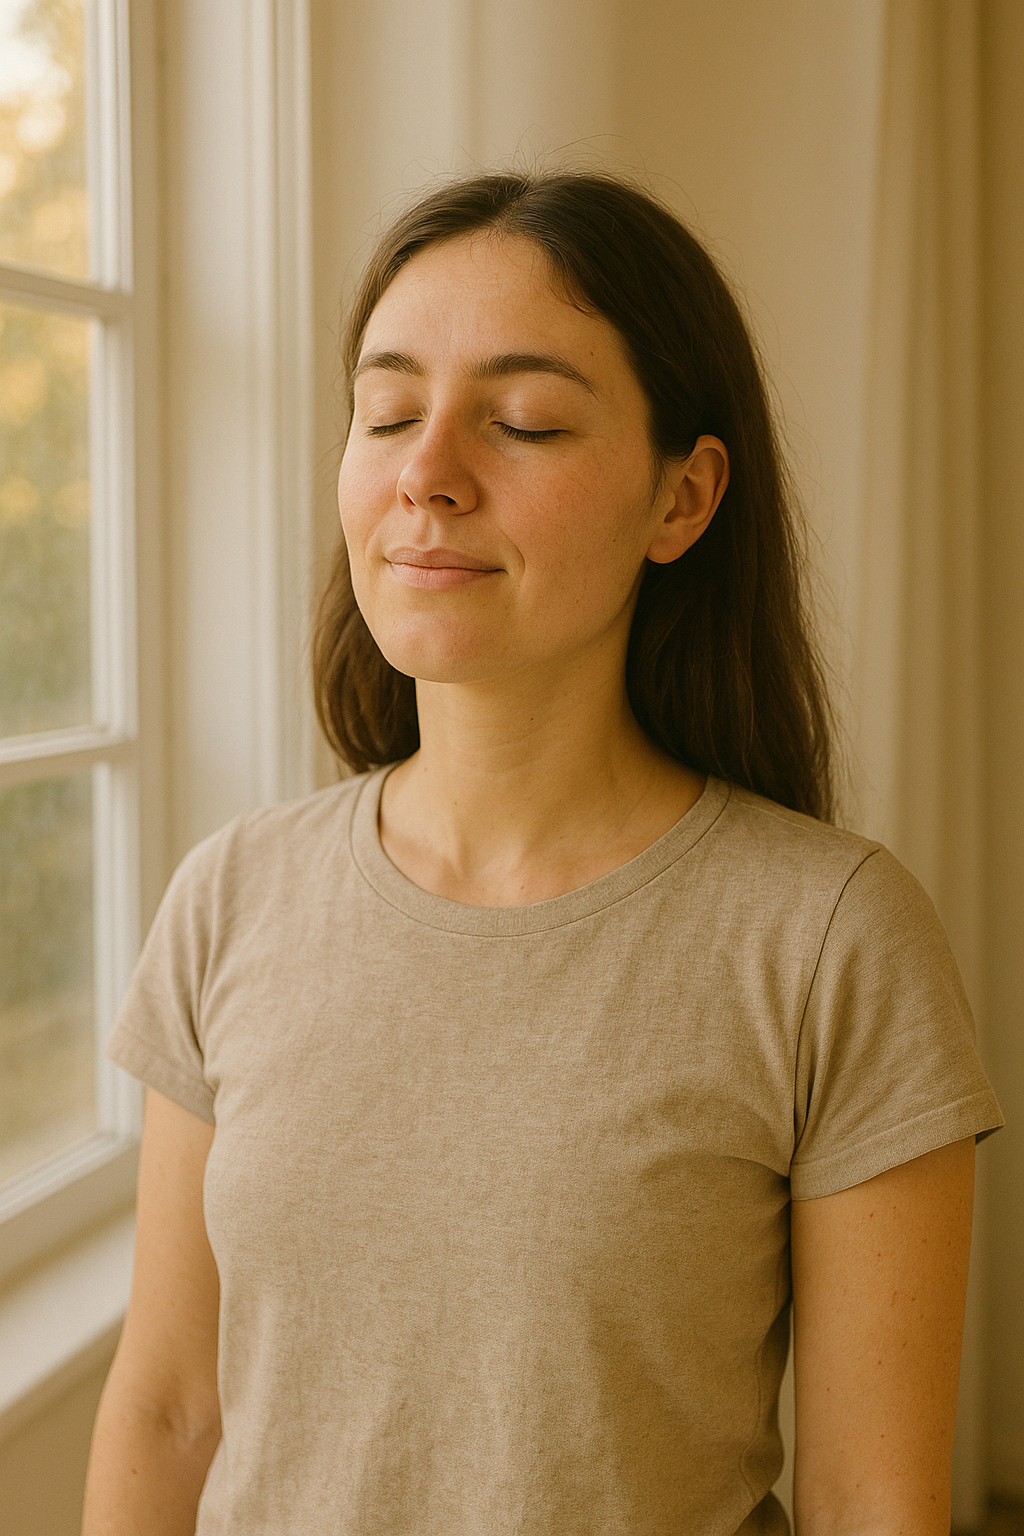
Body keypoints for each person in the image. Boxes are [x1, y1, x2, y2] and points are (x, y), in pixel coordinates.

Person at [83, 172, 1004, 1536]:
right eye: (389, 412)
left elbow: (874, 1498)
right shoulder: (232, 896)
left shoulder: (829, 940)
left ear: (681, 501)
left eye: (522, 421)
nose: (427, 472)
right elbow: (169, 1410)